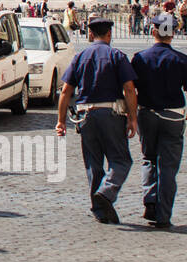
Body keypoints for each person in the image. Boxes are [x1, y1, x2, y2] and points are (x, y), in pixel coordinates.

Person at [55, 16, 137, 224]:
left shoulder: (81, 56)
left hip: (85, 116)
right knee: (121, 160)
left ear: (91, 34)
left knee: (93, 164)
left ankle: (100, 209)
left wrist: (61, 120)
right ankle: (107, 192)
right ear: (109, 34)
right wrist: (133, 118)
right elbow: (129, 89)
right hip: (111, 114)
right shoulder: (117, 56)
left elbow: (65, 91)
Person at [131, 13, 187, 228]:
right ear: (173, 34)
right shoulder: (181, 60)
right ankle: (164, 216)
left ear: (153, 31)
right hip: (173, 117)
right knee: (169, 168)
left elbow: (130, 90)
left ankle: (150, 199)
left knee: (148, 159)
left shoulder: (140, 58)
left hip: (146, 115)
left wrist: (131, 116)